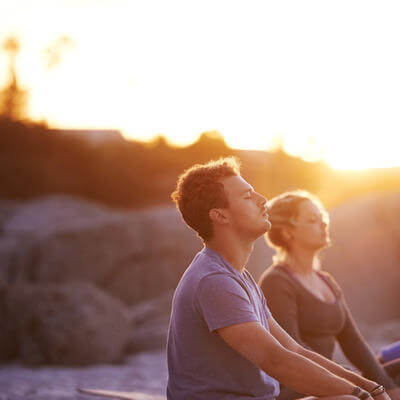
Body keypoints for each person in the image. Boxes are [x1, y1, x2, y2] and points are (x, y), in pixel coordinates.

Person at [167, 156, 393, 400]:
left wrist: (370, 387)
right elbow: (276, 359)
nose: (262, 200)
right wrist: (359, 393)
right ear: (220, 216)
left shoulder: (239, 278)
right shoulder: (214, 280)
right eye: (247, 196)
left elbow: (293, 349)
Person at [258, 190, 400, 400]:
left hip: (334, 377)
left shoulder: (326, 281)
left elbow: (356, 345)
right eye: (313, 220)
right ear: (288, 232)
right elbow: (293, 351)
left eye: (322, 217)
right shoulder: (277, 282)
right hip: (299, 386)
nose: (323, 224)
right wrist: (355, 381)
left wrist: (387, 387)